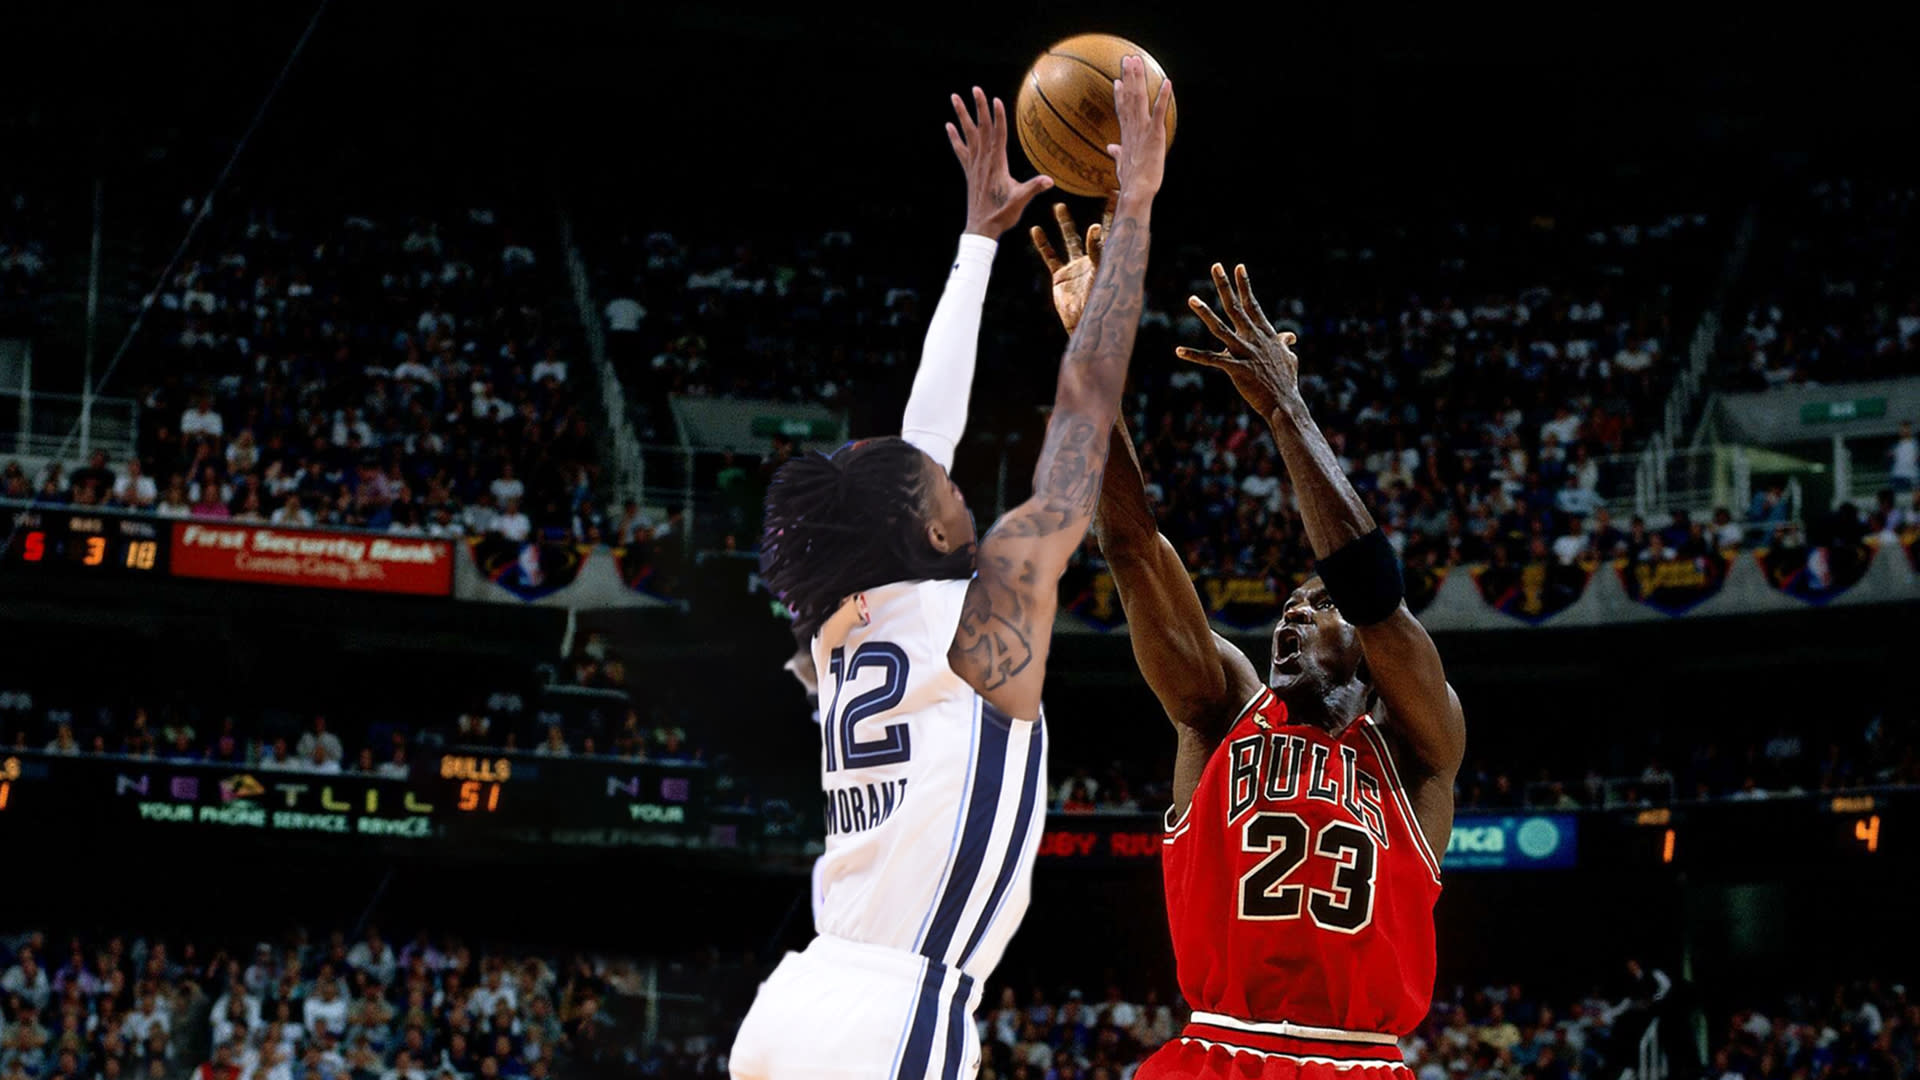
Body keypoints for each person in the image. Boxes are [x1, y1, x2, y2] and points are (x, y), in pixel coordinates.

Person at [730, 61, 1171, 1080]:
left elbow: (921, 439)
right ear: (926, 533)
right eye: (944, 491)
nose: (960, 485)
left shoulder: (843, 624)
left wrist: (978, 246)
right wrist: (1132, 222)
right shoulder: (990, 610)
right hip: (891, 1015)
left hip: (800, 997)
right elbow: (1083, 417)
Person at [1035, 249, 1461, 1080]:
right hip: (1217, 1049)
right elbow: (1131, 547)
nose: (1292, 616)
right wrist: (1093, 351)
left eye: (1316, 604)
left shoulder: (1417, 750)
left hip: (1358, 1061)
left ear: (1373, 660)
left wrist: (1285, 408)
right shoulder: (1223, 706)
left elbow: (1373, 592)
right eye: (1289, 608)